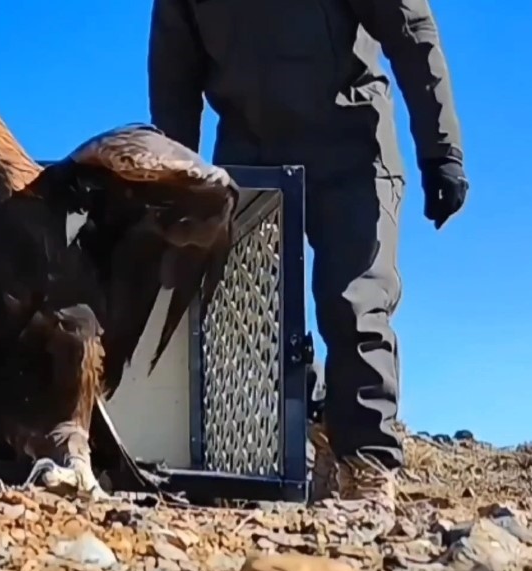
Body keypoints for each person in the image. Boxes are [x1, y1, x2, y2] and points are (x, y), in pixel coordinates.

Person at [148, 0, 469, 511]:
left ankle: (367, 463)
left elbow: (411, 32)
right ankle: (316, 434)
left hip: (352, 146)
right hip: (251, 156)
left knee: (353, 301)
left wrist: (440, 150)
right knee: (252, 311)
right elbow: (174, 77)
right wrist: (178, 180)